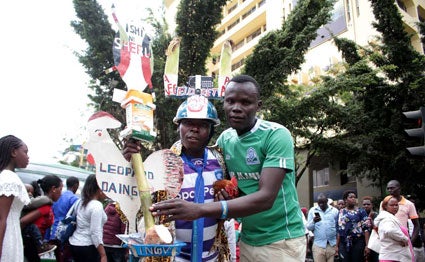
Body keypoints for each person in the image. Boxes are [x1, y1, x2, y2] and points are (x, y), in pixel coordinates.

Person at [148, 75, 307, 262]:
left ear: (258, 105)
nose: (236, 108)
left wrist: (200, 209)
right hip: (248, 239)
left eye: (245, 102)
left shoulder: (276, 135)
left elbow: (265, 198)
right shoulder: (224, 142)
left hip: (281, 240)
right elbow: (231, 188)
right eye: (230, 101)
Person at [123, 94, 229, 261]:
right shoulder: (162, 163)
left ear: (211, 130)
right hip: (173, 258)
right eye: (187, 123)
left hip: (212, 257)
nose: (194, 129)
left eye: (202, 125)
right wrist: (128, 165)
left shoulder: (221, 161)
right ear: (179, 126)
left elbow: (233, 203)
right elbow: (135, 203)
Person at [0, 135, 31, 261]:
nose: (28, 156)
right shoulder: (9, 178)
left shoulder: (7, 176)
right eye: (25, 152)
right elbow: (1, 219)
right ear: (13, 152)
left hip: (11, 233)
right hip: (7, 237)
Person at [20, 175, 63, 261]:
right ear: (53, 189)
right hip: (29, 245)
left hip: (34, 245)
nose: (61, 193)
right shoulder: (45, 207)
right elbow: (22, 222)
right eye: (60, 189)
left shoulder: (47, 204)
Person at [69, 174, 107, 262]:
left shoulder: (80, 202)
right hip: (88, 246)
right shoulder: (96, 205)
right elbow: (95, 232)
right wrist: (103, 254)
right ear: (99, 189)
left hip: (75, 243)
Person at [380, 180, 421, 261]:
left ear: (399, 189)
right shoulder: (383, 203)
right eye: (388, 188)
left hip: (403, 242)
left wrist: (410, 242)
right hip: (388, 243)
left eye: (392, 188)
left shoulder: (409, 204)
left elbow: (416, 225)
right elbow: (381, 222)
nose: (389, 190)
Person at [49, 176, 80, 262]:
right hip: (65, 233)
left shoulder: (58, 196)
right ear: (76, 185)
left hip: (53, 230)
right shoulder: (74, 199)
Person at [374, 196, 413, 262]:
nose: (395, 207)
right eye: (392, 205)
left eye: (396, 205)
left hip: (394, 256)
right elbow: (390, 230)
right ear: (385, 206)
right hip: (393, 257)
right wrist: (404, 239)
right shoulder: (387, 219)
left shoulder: (390, 217)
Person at [22, 183, 57, 257]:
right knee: (33, 227)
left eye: (31, 192)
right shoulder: (24, 201)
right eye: (27, 191)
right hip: (27, 238)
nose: (30, 193)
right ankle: (40, 246)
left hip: (29, 239)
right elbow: (23, 221)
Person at [336, 190, 370, 262]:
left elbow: (366, 229)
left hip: (358, 242)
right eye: (351, 197)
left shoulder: (361, 211)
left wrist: (367, 245)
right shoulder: (341, 212)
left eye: (354, 197)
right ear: (345, 200)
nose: (353, 199)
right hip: (343, 243)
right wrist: (336, 246)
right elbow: (339, 230)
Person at [306, 193, 339, 262]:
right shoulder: (312, 210)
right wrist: (313, 221)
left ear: (327, 201)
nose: (321, 204)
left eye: (323, 203)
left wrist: (337, 246)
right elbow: (308, 227)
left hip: (332, 245)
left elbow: (338, 227)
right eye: (319, 203)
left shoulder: (334, 211)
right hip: (318, 246)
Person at [362, 196, 378, 262]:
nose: (366, 206)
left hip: (374, 241)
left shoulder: (376, 215)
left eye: (368, 204)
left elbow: (377, 228)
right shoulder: (360, 215)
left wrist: (371, 219)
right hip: (363, 241)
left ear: (372, 205)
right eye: (364, 204)